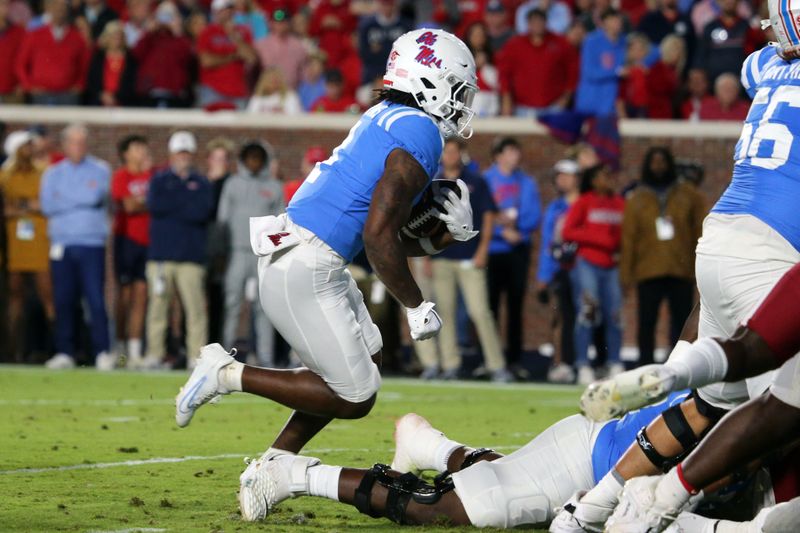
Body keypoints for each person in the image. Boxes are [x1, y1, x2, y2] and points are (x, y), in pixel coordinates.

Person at [174, 28, 480, 520]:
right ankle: (226, 373)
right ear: (430, 81)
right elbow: (380, 238)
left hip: (308, 256)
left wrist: (443, 238)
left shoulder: (388, 118)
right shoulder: (420, 131)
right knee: (356, 395)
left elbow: (382, 235)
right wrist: (417, 305)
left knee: (366, 361)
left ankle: (275, 464)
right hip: (305, 265)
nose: (463, 103)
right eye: (459, 89)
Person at [231, 393, 700, 528]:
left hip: (601, 465)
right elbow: (665, 440)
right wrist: (601, 500)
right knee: (454, 508)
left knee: (510, 485)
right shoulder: (728, 396)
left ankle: (428, 444)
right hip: (590, 460)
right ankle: (292, 473)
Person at [415, 138, 511, 383]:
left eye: (453, 151)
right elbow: (424, 223)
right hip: (441, 256)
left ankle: (496, 365)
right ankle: (450, 364)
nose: (449, 156)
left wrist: (483, 250)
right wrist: (425, 255)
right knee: (443, 312)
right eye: (446, 151)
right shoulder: (433, 183)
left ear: (462, 154)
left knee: (480, 311)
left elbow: (488, 216)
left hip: (469, 255)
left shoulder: (475, 181)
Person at [620, 147, 705, 368]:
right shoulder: (637, 198)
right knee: (646, 322)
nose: (658, 166)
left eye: (662, 161)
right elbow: (629, 238)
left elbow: (700, 231)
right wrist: (626, 275)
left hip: (680, 268)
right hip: (648, 269)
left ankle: (680, 366)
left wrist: (700, 267)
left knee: (682, 322)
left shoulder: (689, 194)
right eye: (654, 162)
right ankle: (645, 366)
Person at [40, 124, 113, 370]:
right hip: (61, 244)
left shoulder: (101, 169)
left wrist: (66, 198)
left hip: (92, 243)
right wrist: (80, 199)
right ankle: (65, 351)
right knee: (63, 299)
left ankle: (102, 351)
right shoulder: (52, 173)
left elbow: (94, 197)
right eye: (73, 142)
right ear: (64, 145)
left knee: (95, 298)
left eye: (82, 142)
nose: (78, 147)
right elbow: (48, 205)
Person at [144, 131, 212, 369]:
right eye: (179, 152)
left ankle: (197, 356)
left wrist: (176, 202)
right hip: (162, 255)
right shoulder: (159, 180)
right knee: (157, 307)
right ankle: (155, 353)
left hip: (191, 257)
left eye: (186, 153)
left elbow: (202, 211)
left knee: (195, 309)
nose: (183, 157)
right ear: (172, 154)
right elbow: (155, 205)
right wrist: (185, 201)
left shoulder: (202, 183)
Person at [217, 141, 284, 366]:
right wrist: (221, 253)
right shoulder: (233, 184)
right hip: (237, 252)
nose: (254, 162)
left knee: (265, 307)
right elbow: (223, 220)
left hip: (262, 255)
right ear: (243, 160)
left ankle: (265, 358)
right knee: (232, 304)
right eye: (250, 158)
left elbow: (280, 223)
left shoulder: (274, 187)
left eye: (258, 158)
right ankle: (225, 355)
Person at [562, 163, 625, 385]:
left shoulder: (619, 203)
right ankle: (582, 364)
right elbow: (568, 231)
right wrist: (601, 240)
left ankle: (615, 361)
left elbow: (623, 235)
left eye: (609, 175)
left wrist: (615, 246)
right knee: (587, 312)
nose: (607, 180)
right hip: (587, 262)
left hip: (612, 264)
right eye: (602, 176)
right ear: (593, 179)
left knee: (615, 315)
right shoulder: (584, 201)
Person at [484, 137, 541, 376]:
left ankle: (514, 361)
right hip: (492, 250)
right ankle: (489, 359)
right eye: (509, 151)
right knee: (489, 307)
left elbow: (533, 214)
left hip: (517, 250)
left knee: (516, 307)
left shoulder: (526, 182)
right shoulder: (487, 179)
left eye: (516, 151)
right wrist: (500, 231)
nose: (514, 156)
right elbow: (480, 212)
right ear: (498, 155)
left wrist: (518, 231)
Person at [0, 130, 53, 361]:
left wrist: (19, 207)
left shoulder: (44, 172)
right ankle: (14, 351)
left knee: (48, 295)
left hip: (40, 243)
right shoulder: (4, 175)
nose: (30, 151)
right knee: (15, 297)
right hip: (14, 245)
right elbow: (6, 209)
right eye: (25, 146)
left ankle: (55, 348)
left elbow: (47, 204)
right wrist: (28, 205)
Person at [536, 159, 581, 384]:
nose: (561, 180)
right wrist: (543, 276)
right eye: (559, 176)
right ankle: (561, 362)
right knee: (561, 317)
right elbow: (547, 243)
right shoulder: (555, 207)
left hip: (583, 267)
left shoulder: (584, 204)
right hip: (560, 269)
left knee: (583, 316)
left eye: (567, 175)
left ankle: (581, 362)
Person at [110, 134, 152, 367]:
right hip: (127, 241)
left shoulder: (152, 175)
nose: (141, 151)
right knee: (124, 296)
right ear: (125, 153)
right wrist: (148, 200)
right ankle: (119, 347)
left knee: (142, 296)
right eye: (136, 147)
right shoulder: (121, 176)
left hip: (149, 242)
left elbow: (152, 201)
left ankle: (135, 350)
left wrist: (142, 201)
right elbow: (129, 205)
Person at [497, 8, 578, 118]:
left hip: (554, 108)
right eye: (534, 22)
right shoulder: (514, 45)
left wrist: (566, 98)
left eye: (540, 21)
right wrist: (506, 101)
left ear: (546, 23)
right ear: (528, 24)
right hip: (522, 108)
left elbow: (573, 73)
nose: (537, 25)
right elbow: (504, 74)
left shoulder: (561, 44)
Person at [15, 0, 90, 106]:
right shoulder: (35, 35)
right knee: (39, 122)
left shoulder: (77, 37)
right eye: (56, 7)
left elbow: (85, 65)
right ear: (49, 10)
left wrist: (80, 84)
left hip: (67, 95)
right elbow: (20, 64)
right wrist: (29, 86)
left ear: (67, 11)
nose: (59, 11)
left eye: (62, 8)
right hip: (41, 94)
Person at [132, 1, 195, 108]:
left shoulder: (179, 39)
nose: (165, 20)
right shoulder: (151, 37)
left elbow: (187, 56)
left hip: (174, 92)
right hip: (149, 91)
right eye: (162, 15)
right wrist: (149, 31)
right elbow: (136, 54)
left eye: (169, 15)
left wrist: (177, 31)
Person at [197, 0, 257, 110]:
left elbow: (251, 58)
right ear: (215, 12)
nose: (228, 13)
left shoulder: (243, 31)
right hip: (213, 91)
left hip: (238, 91)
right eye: (224, 10)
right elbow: (206, 61)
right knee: (210, 127)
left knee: (238, 127)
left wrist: (234, 35)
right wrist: (233, 56)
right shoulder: (207, 32)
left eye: (230, 9)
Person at [574, 8, 626, 118]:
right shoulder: (592, 41)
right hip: (590, 101)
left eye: (619, 20)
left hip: (610, 105)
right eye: (613, 20)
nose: (618, 23)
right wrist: (616, 72)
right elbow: (589, 72)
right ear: (604, 23)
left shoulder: (623, 42)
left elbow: (653, 51)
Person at [357, 0, 413, 85]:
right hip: (373, 76)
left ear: (395, 5)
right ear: (379, 5)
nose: (387, 8)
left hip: (400, 76)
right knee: (364, 94)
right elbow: (363, 53)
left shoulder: (406, 25)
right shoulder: (367, 26)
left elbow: (410, 53)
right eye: (384, 4)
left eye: (389, 4)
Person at [85, 20, 138, 107]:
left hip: (123, 104)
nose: (117, 39)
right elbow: (92, 80)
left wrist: (116, 97)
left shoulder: (130, 59)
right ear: (106, 38)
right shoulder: (98, 57)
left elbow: (132, 83)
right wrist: (102, 95)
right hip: (100, 103)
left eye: (119, 36)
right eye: (113, 36)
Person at [255, 8, 307, 89]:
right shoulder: (261, 45)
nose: (280, 25)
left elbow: (303, 73)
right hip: (267, 92)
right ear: (271, 23)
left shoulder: (298, 46)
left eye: (283, 22)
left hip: (291, 92)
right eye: (276, 22)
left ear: (289, 23)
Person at [0, 0, 25, 104]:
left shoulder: (19, 32)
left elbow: (24, 60)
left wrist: (22, 83)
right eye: (1, 4)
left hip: (12, 91)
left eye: (6, 4)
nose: (4, 8)